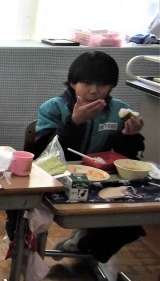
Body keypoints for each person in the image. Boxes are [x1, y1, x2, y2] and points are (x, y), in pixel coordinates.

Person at [30, 50, 146, 262]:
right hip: (58, 181)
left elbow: (129, 158)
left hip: (105, 183)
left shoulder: (120, 111)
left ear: (111, 86)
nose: (94, 90)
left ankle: (83, 245)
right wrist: (73, 123)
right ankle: (85, 245)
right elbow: (42, 153)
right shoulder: (53, 108)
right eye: (86, 83)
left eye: (102, 84)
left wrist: (130, 136)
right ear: (73, 82)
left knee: (132, 223)